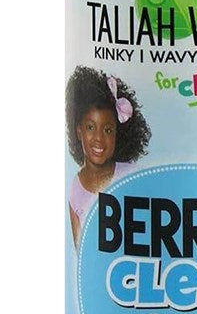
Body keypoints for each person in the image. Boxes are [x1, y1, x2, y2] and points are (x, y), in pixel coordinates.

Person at [65, 65, 151, 247]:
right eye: (90, 127)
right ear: (79, 131)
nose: (98, 138)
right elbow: (80, 251)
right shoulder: (75, 189)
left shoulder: (133, 175)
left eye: (108, 130)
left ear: (118, 135)